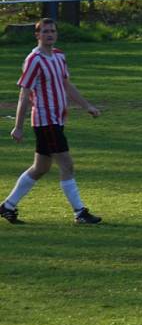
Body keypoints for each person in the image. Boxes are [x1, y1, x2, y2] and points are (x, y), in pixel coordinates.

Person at [0, 18, 102, 225]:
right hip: (45, 121)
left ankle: (7, 206)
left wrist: (87, 106)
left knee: (41, 168)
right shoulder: (34, 59)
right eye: (45, 31)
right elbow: (24, 94)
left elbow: (66, 84)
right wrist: (18, 127)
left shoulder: (58, 55)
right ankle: (80, 212)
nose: (49, 34)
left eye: (52, 31)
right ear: (37, 35)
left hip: (57, 119)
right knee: (67, 164)